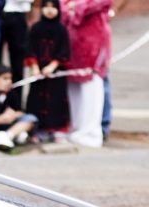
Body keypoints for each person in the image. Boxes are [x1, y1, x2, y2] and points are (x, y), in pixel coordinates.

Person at [63, 0, 109, 146]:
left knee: (91, 85)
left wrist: (76, 7)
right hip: (72, 39)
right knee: (73, 85)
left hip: (92, 38)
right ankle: (76, 127)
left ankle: (90, 132)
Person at [25, 0, 69, 137]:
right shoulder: (36, 28)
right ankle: (36, 130)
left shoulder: (61, 29)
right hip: (38, 72)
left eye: (53, 7)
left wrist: (53, 66)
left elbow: (65, 50)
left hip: (55, 73)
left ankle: (56, 130)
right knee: (36, 100)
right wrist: (34, 67)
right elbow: (29, 48)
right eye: (46, 7)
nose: (49, 11)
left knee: (56, 101)